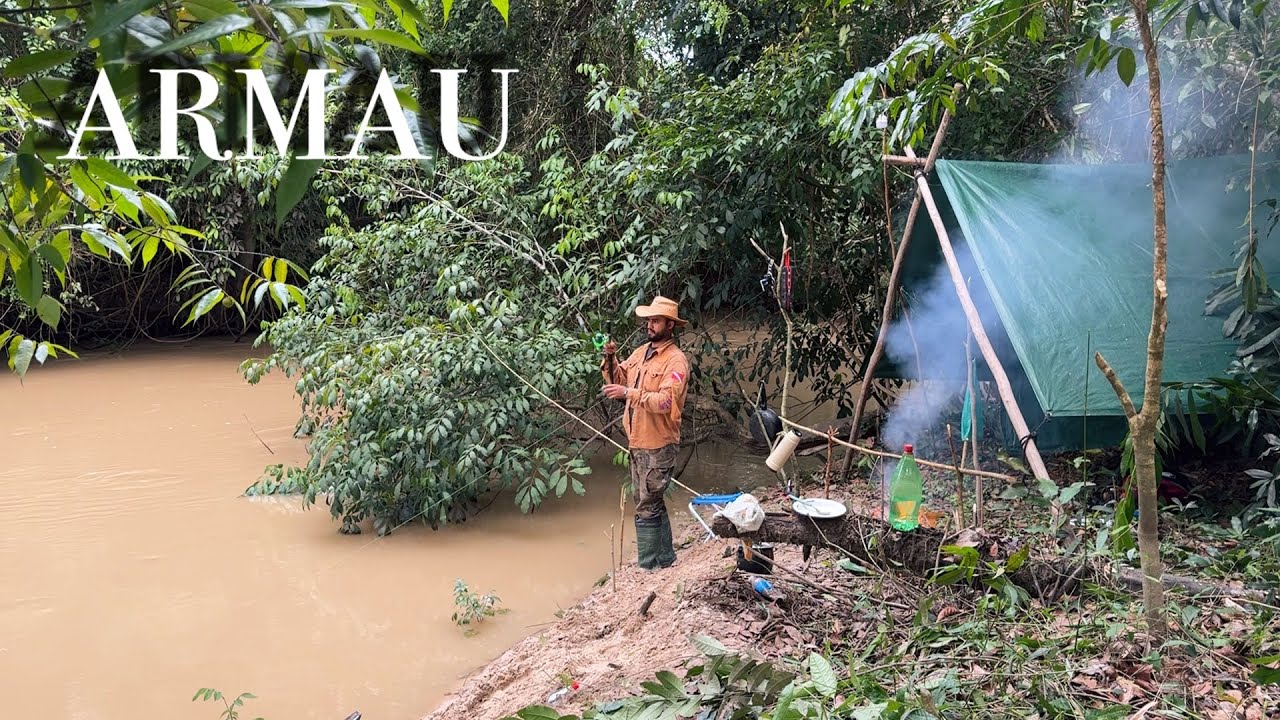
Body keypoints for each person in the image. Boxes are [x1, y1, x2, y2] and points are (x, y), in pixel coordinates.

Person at [600, 295, 691, 570]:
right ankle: (665, 559)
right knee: (647, 498)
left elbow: (665, 402)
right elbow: (619, 379)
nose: (650, 325)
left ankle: (649, 565)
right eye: (648, 320)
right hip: (638, 440)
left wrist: (629, 393)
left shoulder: (676, 362)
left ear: (670, 325)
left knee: (646, 504)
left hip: (659, 444)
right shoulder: (641, 352)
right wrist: (610, 356)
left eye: (655, 321)